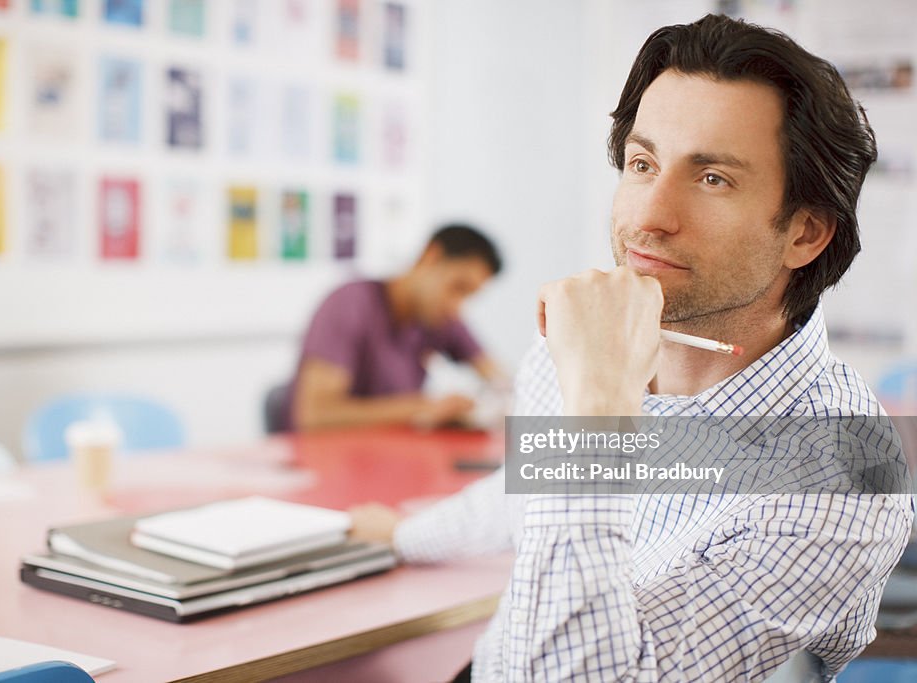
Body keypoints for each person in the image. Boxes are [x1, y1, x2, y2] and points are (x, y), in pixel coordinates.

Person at [350, 14, 914, 681]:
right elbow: (522, 495)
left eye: (713, 179)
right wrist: (403, 536)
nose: (648, 216)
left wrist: (599, 405)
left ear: (805, 233)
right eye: (643, 164)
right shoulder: (579, 351)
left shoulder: (843, 472)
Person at [285, 224, 506, 432]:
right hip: (334, 462)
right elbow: (315, 416)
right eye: (458, 287)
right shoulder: (349, 304)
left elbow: (498, 377)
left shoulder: (438, 319)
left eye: (468, 296)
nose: (456, 307)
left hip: (395, 458)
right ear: (432, 256)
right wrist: (423, 408)